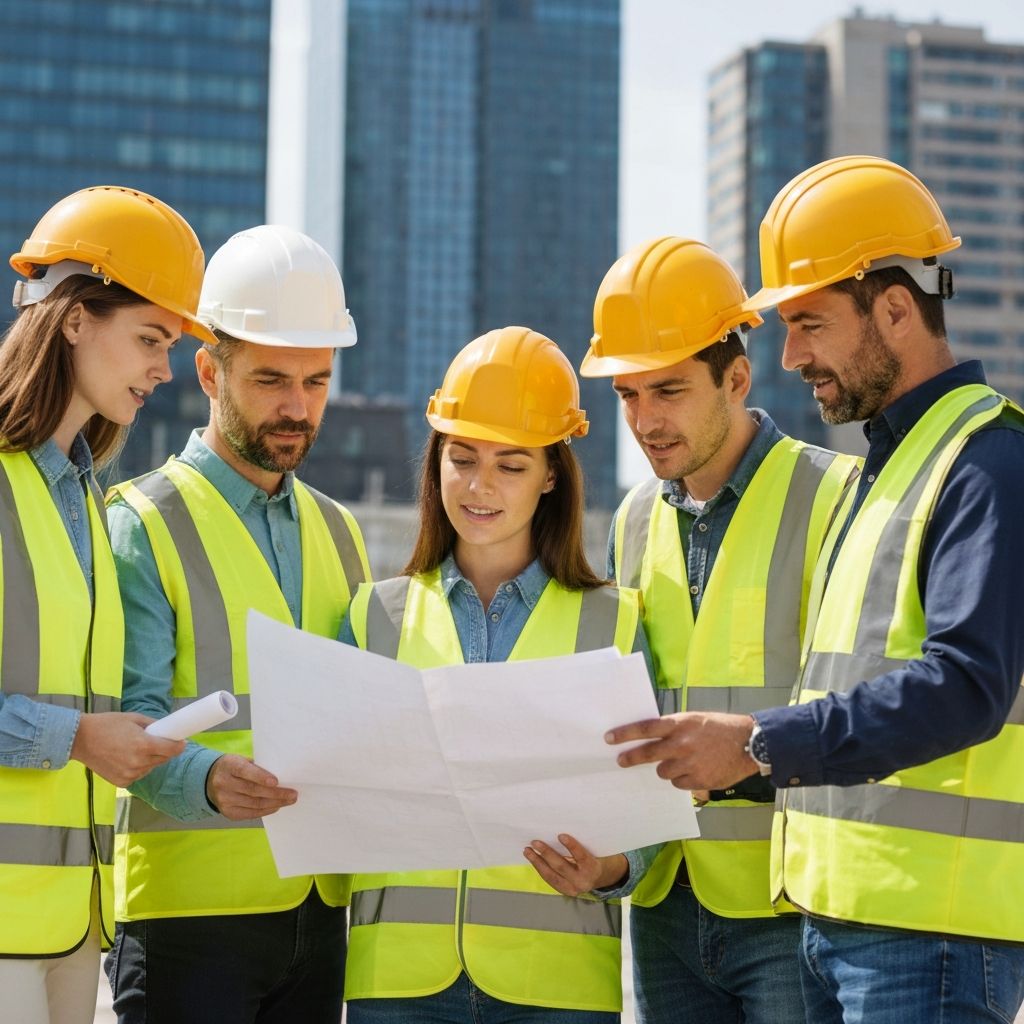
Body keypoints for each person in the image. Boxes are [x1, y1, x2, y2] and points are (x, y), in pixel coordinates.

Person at [608, 156, 1024, 1023]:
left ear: (897, 309)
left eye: (809, 324)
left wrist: (756, 743)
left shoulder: (987, 460)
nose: (790, 355)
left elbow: (967, 685)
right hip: (843, 919)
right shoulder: (893, 469)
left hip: (931, 932)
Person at [579, 236, 860, 1023]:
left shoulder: (835, 497)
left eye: (667, 391)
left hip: (788, 903)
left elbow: (860, 709)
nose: (644, 421)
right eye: (627, 395)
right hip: (665, 898)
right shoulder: (632, 518)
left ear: (736, 378)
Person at [339, 325, 654, 1023]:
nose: (481, 486)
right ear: (436, 464)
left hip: (556, 986)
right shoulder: (373, 618)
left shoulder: (615, 622)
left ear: (550, 475)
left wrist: (609, 869)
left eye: (511, 465)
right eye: (463, 458)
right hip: (397, 982)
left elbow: (656, 809)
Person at [104, 224, 372, 1024]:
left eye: (317, 382)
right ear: (208, 372)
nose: (298, 408)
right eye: (271, 381)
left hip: (318, 908)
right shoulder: (140, 521)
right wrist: (208, 780)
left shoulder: (340, 531)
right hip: (189, 916)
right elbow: (125, 719)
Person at [0, 186, 212, 1024]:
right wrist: (81, 739)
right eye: (150, 339)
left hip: (74, 928)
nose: (165, 369)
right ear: (77, 318)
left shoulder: (89, 500)